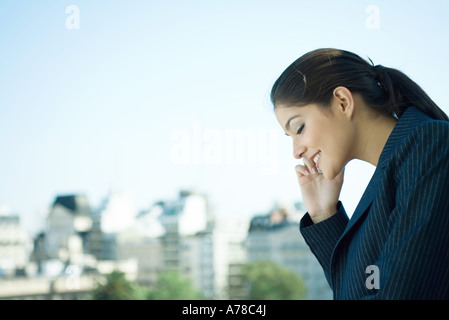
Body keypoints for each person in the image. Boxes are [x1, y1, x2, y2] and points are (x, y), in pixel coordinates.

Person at [271, 48, 449, 299]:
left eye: (299, 128)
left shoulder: (429, 143)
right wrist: (324, 214)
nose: (297, 151)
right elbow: (357, 291)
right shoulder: (396, 169)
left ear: (343, 101)